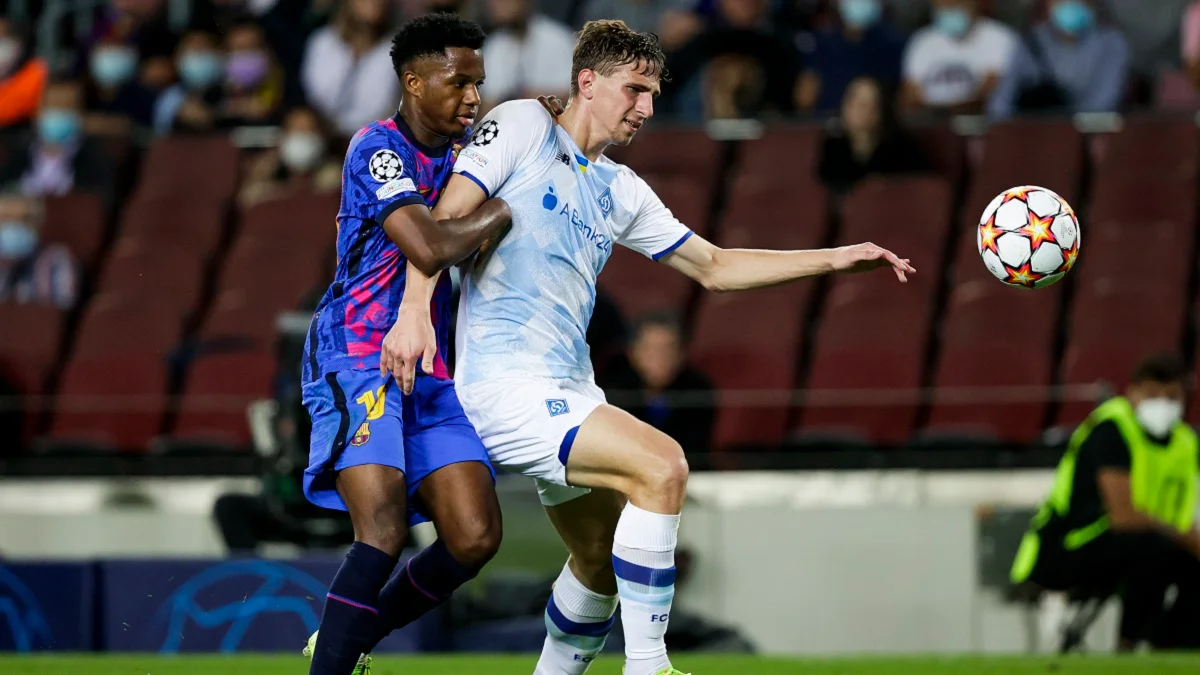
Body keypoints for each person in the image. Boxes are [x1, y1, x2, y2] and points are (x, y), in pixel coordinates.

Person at [385, 19, 913, 675]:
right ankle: (649, 665)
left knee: (599, 563)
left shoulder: (621, 188)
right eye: (635, 89)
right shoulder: (523, 125)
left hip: (568, 386)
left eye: (655, 94)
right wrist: (414, 311)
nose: (647, 107)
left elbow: (715, 266)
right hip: (503, 384)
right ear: (587, 81)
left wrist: (835, 257)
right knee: (662, 466)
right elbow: (442, 220)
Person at [299, 14, 515, 675]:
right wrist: (497, 213)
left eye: (479, 83)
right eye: (459, 82)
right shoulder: (378, 149)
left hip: (428, 364)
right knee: (384, 530)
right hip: (356, 354)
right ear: (413, 81)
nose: (473, 97)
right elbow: (427, 244)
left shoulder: (467, 153)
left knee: (475, 536)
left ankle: (346, 638)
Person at [1010, 354, 1200, 652]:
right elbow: (1123, 517)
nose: (1162, 405)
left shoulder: (1186, 443)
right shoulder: (1111, 429)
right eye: (1152, 395)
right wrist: (1186, 537)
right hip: (1065, 548)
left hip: (1139, 545)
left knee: (1186, 560)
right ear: (1133, 393)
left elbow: (1180, 513)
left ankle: (1174, 649)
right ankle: (1128, 647)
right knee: (1152, 547)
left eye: (1171, 397)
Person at [600, 313, 715, 456]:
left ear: (682, 353)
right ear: (632, 352)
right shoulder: (613, 392)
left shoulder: (699, 391)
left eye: (668, 350)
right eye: (649, 349)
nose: (659, 358)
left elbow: (695, 450)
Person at [817, 76, 930, 194]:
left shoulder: (903, 150)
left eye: (868, 103)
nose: (859, 108)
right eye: (853, 100)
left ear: (882, 109)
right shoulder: (833, 149)